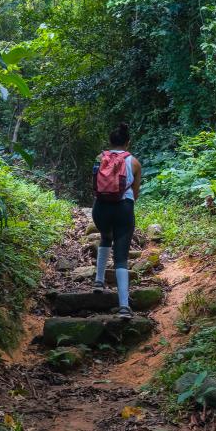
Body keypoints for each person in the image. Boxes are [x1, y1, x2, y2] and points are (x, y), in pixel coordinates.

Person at [91, 122, 142, 318]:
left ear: (110, 142)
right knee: (121, 256)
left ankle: (98, 280)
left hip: (101, 208)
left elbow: (94, 186)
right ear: (127, 143)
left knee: (105, 236)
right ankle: (123, 307)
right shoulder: (134, 162)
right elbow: (135, 194)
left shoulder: (99, 158)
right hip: (123, 209)